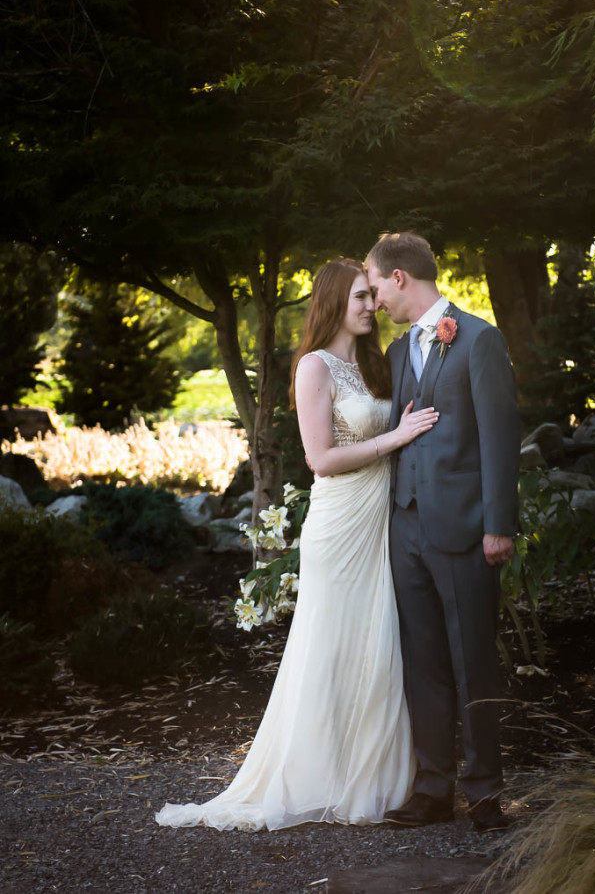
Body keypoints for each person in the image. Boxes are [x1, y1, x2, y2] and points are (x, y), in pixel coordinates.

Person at [155, 258, 439, 831]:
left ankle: (374, 778)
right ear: (334, 300)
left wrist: (401, 429)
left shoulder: (375, 364)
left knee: (378, 645)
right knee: (330, 647)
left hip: (379, 522)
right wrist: (396, 436)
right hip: (339, 526)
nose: (370, 306)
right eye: (360, 296)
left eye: (371, 296)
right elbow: (321, 460)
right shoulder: (314, 367)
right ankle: (316, 777)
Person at [365, 233, 521, 833]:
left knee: (472, 661)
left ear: (400, 277)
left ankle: (484, 794)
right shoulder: (402, 350)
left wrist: (498, 525)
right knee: (422, 662)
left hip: (464, 529)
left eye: (376, 285)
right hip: (405, 527)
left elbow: (500, 437)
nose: (375, 299)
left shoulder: (480, 339)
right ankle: (433, 788)